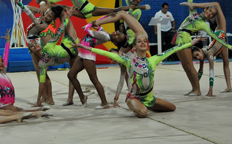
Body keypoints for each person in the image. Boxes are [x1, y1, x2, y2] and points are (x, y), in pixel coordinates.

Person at [74, 33, 203, 118]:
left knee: (172, 108)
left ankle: (145, 104)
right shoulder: (129, 60)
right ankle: (132, 102)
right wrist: (85, 47)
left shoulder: (153, 60)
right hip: (134, 96)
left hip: (149, 98)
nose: (143, 43)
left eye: (145, 41)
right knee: (143, 113)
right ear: (134, 46)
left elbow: (173, 50)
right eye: (139, 42)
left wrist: (191, 43)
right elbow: (108, 54)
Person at [176, 0, 232, 96]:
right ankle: (193, 88)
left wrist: (229, 46)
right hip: (179, 38)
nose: (210, 13)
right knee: (185, 66)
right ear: (205, 8)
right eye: (209, 10)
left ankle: (197, 89)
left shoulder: (202, 24)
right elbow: (190, 0)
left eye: (212, 14)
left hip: (185, 39)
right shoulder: (194, 14)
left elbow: (213, 35)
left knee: (189, 65)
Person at [0, 30, 50, 111]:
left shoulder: (3, 72)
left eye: (1, 61)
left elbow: (6, 55)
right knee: (19, 110)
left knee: (15, 109)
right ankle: (37, 111)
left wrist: (8, 42)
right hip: (5, 104)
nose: (1, 63)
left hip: (9, 103)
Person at [67, 22, 127, 109]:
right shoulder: (106, 34)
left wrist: (90, 24)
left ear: (115, 42)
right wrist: (98, 26)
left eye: (119, 37)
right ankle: (82, 97)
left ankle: (104, 103)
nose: (117, 33)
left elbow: (87, 30)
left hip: (88, 55)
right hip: (82, 54)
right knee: (71, 75)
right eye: (119, 33)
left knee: (94, 79)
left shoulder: (106, 37)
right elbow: (100, 29)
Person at [29, 7, 79, 106]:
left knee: (72, 75)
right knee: (70, 75)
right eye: (35, 47)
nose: (36, 45)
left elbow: (60, 31)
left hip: (69, 45)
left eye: (36, 44)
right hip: (67, 49)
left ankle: (64, 98)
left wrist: (67, 17)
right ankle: (49, 99)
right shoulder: (42, 61)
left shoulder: (44, 56)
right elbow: (42, 81)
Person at [185, 2, 232, 96]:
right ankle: (229, 87)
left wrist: (210, 91)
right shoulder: (204, 54)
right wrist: (195, 86)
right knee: (226, 62)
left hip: (220, 31)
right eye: (196, 58)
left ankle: (194, 4)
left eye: (197, 55)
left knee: (217, 5)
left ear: (199, 50)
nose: (198, 58)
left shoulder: (208, 53)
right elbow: (200, 71)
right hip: (220, 42)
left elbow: (211, 70)